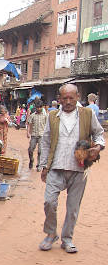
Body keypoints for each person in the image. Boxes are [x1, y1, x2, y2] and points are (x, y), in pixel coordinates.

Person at [39, 84, 104, 253]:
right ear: (59, 99)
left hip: (79, 169)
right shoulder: (52, 116)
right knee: (49, 202)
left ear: (77, 97)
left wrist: (97, 147)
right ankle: (51, 234)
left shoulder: (87, 114)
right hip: (56, 166)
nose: (68, 101)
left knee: (73, 207)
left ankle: (67, 238)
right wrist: (44, 166)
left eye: (71, 98)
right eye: (64, 98)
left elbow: (99, 134)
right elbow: (45, 142)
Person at [27, 100, 47, 171]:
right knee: (30, 149)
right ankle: (31, 160)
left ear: (42, 107)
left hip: (42, 135)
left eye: (40, 107)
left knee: (40, 151)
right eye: (37, 107)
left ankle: (39, 165)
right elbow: (29, 124)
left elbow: (47, 126)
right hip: (34, 135)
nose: (38, 109)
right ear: (35, 107)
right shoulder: (32, 115)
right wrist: (28, 132)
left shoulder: (45, 116)